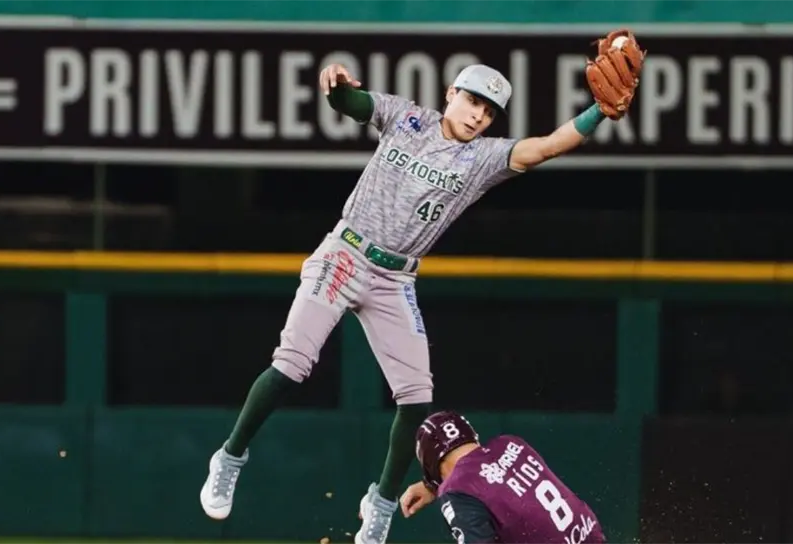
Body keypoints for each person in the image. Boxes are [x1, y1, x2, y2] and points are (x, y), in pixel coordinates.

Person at [199, 53, 625, 544]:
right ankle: (230, 457)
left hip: (395, 279)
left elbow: (546, 147)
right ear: (450, 94)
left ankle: (380, 503)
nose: (477, 115)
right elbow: (352, 102)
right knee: (293, 362)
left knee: (416, 398)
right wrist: (335, 82)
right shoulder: (407, 117)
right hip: (346, 253)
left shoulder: (483, 157)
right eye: (471, 101)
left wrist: (597, 113)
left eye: (488, 111)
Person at [400, 410, 607, 544]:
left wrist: (441, 487)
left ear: (432, 466)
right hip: (591, 535)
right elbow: (492, 483)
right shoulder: (511, 443)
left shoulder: (455, 490)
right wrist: (433, 486)